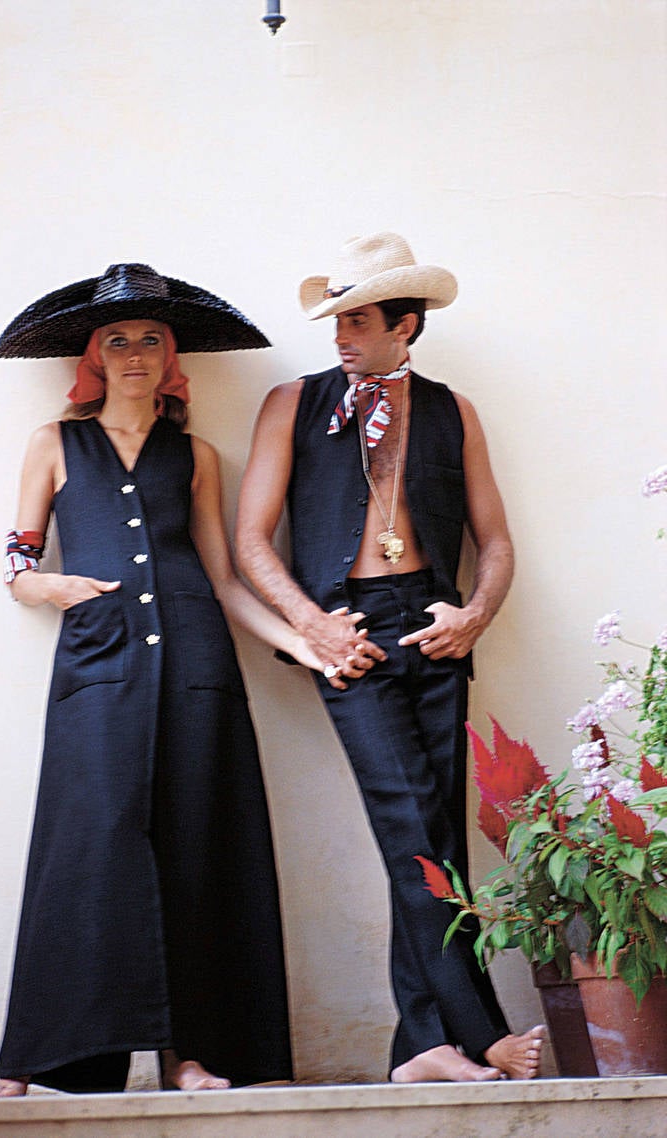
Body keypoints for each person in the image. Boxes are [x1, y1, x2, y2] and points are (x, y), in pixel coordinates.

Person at [0, 262, 333, 1098]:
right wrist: (52, 588)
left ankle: (192, 1054)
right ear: (94, 356)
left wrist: (305, 642)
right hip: (98, 671)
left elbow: (221, 580)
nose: (134, 352)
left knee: (198, 850)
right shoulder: (54, 444)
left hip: (197, 671)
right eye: (117, 340)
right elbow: (16, 564)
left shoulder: (198, 456)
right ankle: (32, 1058)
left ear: (169, 355)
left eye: (149, 339)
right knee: (83, 851)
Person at [234, 232, 545, 1083]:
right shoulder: (293, 403)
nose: (340, 335)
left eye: (359, 320)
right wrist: (314, 626)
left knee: (438, 830)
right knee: (412, 827)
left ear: (407, 324)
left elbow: (498, 539)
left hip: (434, 626)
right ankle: (479, 1031)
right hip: (351, 632)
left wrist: (475, 613)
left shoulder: (454, 410)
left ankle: (421, 1047)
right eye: (337, 319)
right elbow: (252, 543)